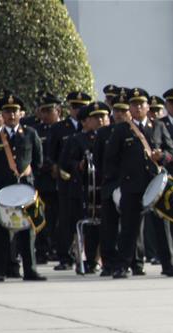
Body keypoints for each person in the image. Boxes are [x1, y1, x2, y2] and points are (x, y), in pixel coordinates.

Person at [103, 87, 173, 277]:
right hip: (132, 185)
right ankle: (122, 265)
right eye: (134, 104)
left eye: (142, 104)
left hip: (155, 185)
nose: (138, 108)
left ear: (148, 106)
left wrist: (162, 156)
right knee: (129, 228)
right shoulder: (122, 129)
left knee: (162, 226)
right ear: (130, 107)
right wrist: (117, 184)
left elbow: (172, 152)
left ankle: (168, 265)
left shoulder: (158, 126)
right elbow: (110, 159)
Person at [0, 93, 45, 282]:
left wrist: (27, 174)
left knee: (30, 231)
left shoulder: (30, 133)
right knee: (0, 232)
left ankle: (30, 270)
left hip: (26, 188)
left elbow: (39, 160)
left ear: (21, 113)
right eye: (8, 112)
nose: (11, 115)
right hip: (3, 190)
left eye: (15, 111)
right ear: (2, 114)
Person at [59, 101, 110, 273]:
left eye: (103, 116)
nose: (101, 120)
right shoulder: (77, 139)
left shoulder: (112, 135)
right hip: (83, 190)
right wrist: (78, 166)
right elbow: (65, 163)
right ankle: (86, 260)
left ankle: (101, 259)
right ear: (88, 120)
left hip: (104, 188)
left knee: (106, 226)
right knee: (87, 227)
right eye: (96, 117)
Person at [49, 91, 91, 270]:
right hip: (67, 180)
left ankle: (88, 257)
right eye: (75, 107)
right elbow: (51, 155)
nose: (78, 110)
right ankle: (64, 256)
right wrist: (56, 168)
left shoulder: (94, 129)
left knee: (88, 219)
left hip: (88, 182)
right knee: (66, 219)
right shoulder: (59, 128)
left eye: (82, 107)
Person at [95, 89, 129, 276]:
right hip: (110, 184)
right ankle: (108, 263)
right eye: (116, 110)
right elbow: (98, 159)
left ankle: (133, 262)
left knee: (129, 228)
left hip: (130, 185)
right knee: (108, 227)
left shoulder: (135, 131)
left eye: (123, 111)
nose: (119, 114)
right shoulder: (103, 133)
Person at [31, 93, 62, 263]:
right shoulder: (35, 129)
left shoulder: (63, 129)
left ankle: (57, 248)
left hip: (57, 181)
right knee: (38, 217)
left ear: (58, 110)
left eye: (48, 110)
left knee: (57, 218)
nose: (44, 115)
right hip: (40, 180)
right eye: (42, 111)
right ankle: (41, 250)